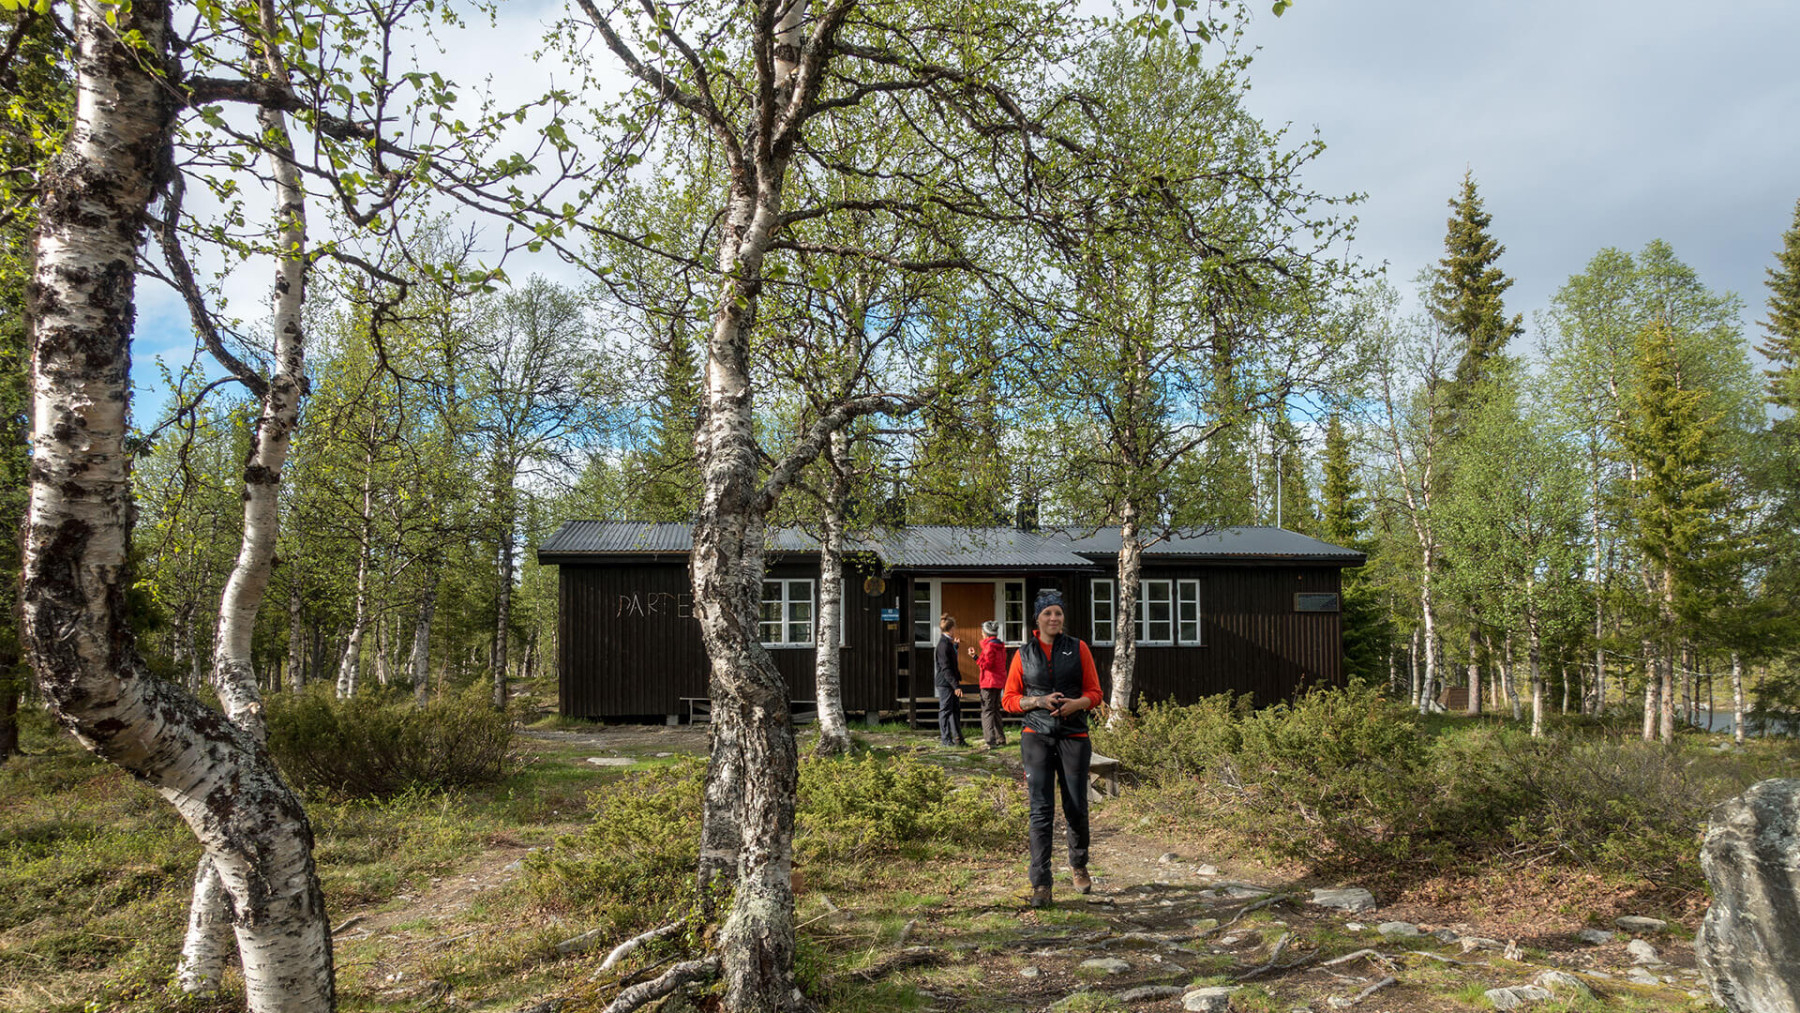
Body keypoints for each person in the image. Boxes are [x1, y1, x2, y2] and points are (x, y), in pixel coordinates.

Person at [1003, 588, 1102, 907]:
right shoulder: (1023, 654)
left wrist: (1077, 704)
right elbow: (1008, 700)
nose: (1054, 618)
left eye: (1058, 613)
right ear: (1038, 618)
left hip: (1074, 736)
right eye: (1048, 613)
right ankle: (1041, 884)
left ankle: (1078, 865)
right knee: (1040, 810)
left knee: (1076, 806)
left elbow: (1095, 692)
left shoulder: (1079, 648)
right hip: (1037, 736)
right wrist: (1038, 701)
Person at [972, 619, 1009, 749]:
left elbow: (986, 665)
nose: (981, 634)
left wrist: (975, 657)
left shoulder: (989, 647)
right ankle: (1001, 738)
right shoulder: (1001, 647)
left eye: (982, 632)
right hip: (998, 682)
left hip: (988, 682)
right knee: (996, 710)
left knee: (987, 711)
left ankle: (990, 740)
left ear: (986, 633)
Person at [933, 614, 968, 747]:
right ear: (951, 628)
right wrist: (956, 686)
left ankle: (958, 739)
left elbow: (949, 658)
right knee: (946, 710)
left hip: (950, 682)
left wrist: (956, 647)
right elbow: (946, 668)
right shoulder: (943, 645)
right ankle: (946, 739)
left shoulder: (948, 643)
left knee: (954, 710)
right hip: (945, 683)